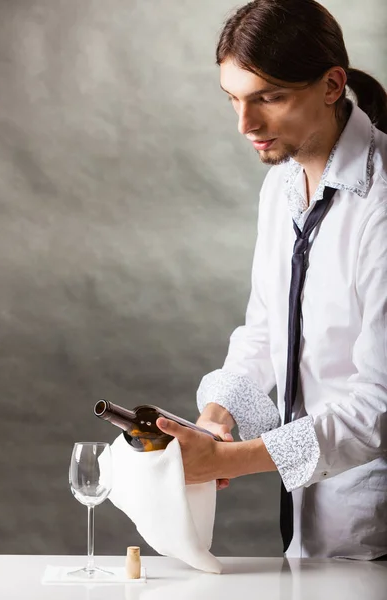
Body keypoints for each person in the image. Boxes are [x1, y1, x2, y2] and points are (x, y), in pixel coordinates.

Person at [156, 0, 387, 560]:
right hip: (312, 519)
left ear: (332, 85)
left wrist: (229, 461)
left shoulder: (382, 205)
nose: (245, 125)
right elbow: (265, 330)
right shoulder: (281, 184)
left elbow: (380, 404)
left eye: (269, 97)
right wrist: (215, 423)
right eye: (234, 99)